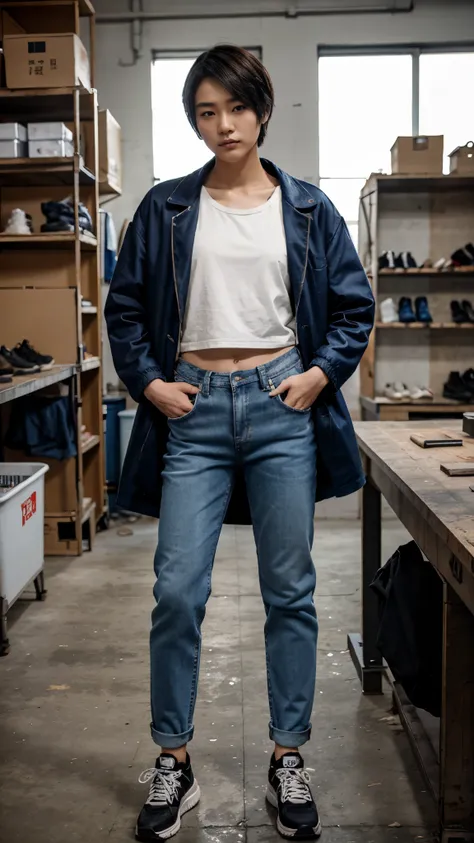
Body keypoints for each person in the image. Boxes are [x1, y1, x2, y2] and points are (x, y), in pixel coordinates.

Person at [105, 44, 374, 843]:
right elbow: (125, 310)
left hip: (280, 403)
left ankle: (288, 754)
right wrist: (150, 383)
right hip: (191, 410)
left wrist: (321, 375)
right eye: (205, 112)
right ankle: (175, 760)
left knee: (289, 591)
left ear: (262, 109)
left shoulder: (308, 210)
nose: (221, 125)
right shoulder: (166, 207)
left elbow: (352, 307)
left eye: (234, 108)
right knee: (177, 591)